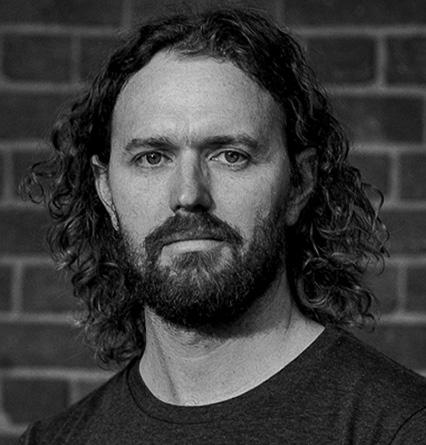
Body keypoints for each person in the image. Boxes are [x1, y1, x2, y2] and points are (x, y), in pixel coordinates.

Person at [19, 7, 426, 445]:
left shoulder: (399, 428)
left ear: (299, 184)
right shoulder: (51, 441)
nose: (188, 194)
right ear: (106, 191)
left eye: (231, 156)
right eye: (152, 158)